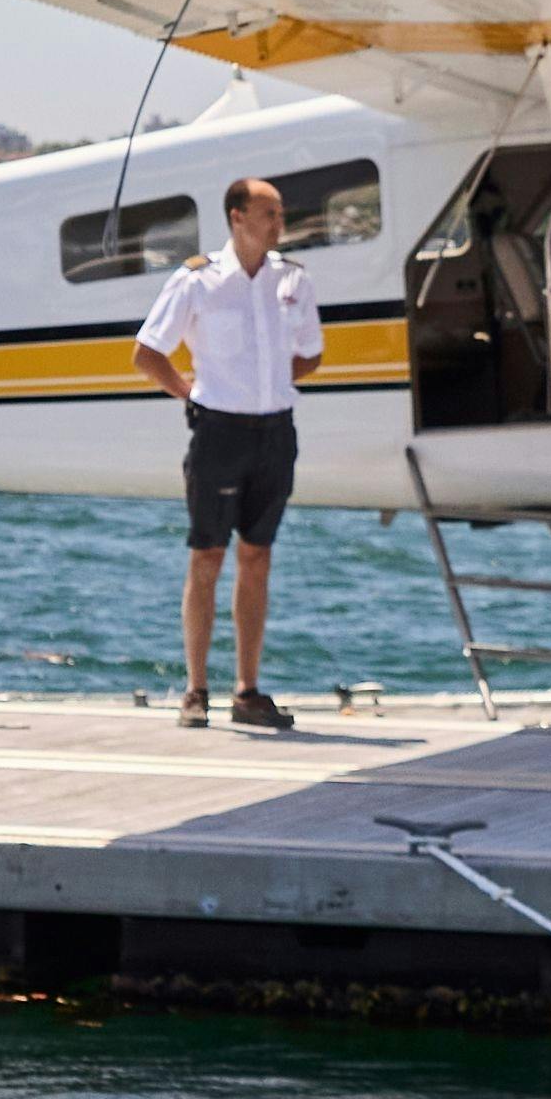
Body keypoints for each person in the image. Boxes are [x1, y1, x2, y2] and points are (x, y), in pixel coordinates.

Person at [132, 172, 321, 727]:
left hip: (275, 432)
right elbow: (148, 352)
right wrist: (191, 390)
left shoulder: (293, 280)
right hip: (219, 432)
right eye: (269, 213)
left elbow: (310, 354)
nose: (278, 223)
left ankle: (248, 690)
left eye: (280, 213)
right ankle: (195, 690)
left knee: (257, 557)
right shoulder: (199, 281)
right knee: (207, 556)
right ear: (237, 217)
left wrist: (263, 378)